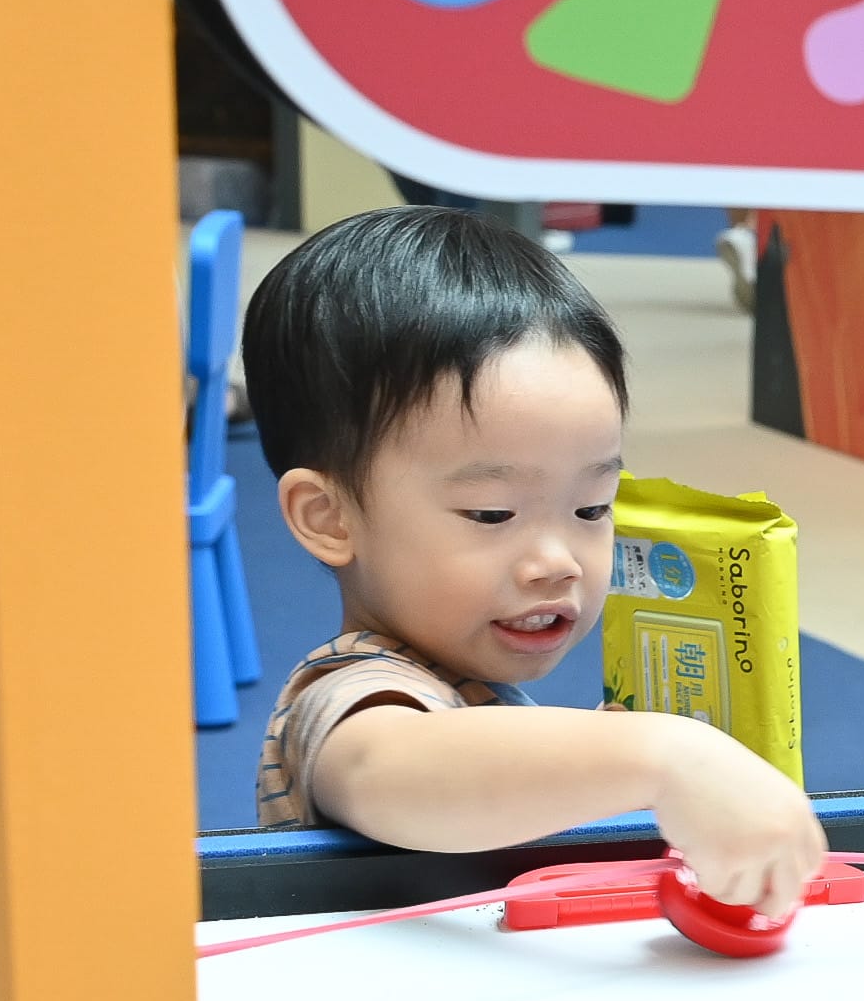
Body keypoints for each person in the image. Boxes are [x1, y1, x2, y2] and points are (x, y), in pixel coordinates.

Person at [244, 205, 825, 906]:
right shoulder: (348, 694)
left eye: (592, 509)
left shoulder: (466, 687)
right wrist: (662, 758)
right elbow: (387, 768)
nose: (559, 561)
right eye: (493, 514)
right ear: (329, 517)